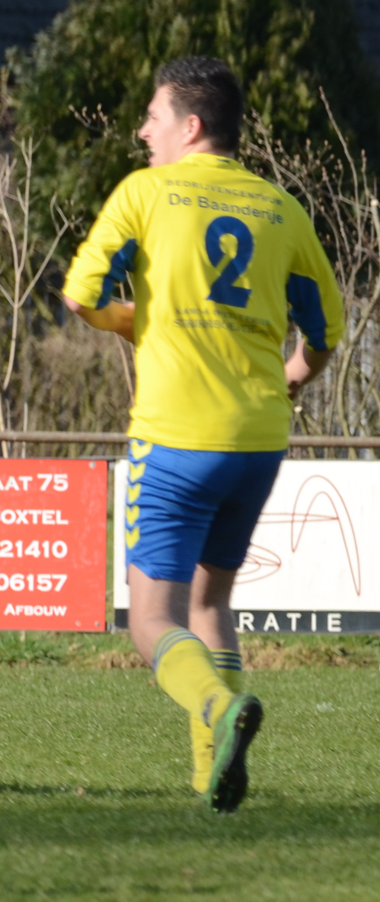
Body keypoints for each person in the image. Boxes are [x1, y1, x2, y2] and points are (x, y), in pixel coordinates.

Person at [64, 55, 343, 814]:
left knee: (151, 618)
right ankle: (209, 779)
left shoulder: (145, 193)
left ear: (189, 126)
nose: (141, 131)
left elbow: (82, 294)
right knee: (211, 599)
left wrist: (135, 321)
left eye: (152, 117)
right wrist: (292, 376)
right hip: (259, 439)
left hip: (177, 437)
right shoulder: (280, 208)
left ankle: (220, 709)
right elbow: (326, 328)